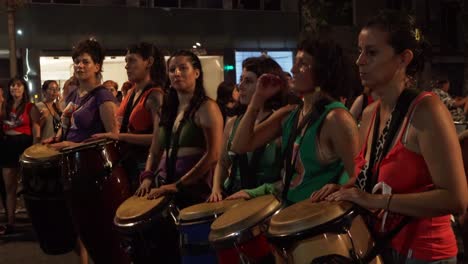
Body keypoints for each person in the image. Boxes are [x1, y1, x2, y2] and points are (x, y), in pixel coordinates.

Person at [319, 11, 467, 263]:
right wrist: (346, 189)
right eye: (359, 51)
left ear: (403, 58)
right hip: (381, 245)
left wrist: (373, 200)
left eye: (372, 53)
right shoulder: (368, 113)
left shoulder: (426, 110)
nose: (359, 61)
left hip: (425, 253)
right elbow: (373, 176)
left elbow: (456, 199)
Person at [227, 35, 360, 205]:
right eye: (296, 62)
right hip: (289, 212)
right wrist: (258, 99)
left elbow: (357, 177)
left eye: (303, 64)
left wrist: (339, 187)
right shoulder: (290, 114)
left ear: (322, 71)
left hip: (316, 219)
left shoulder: (336, 118)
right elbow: (240, 146)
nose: (293, 69)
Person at [135, 50, 223, 208]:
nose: (176, 73)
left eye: (183, 68)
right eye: (172, 69)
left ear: (196, 73)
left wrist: (178, 185)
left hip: (194, 189)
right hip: (163, 185)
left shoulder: (207, 107)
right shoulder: (166, 110)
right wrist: (147, 176)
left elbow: (214, 154)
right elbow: (154, 151)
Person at [208, 56, 287, 202]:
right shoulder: (233, 123)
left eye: (248, 81)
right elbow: (223, 162)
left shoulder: (279, 122)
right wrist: (216, 189)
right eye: (241, 79)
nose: (240, 86)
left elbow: (287, 177)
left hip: (265, 200)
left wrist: (255, 193)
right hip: (232, 196)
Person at [93, 42, 166, 191]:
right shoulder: (132, 92)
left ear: (149, 62)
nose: (126, 66)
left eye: (132, 60)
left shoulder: (155, 95)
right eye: (126, 61)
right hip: (129, 163)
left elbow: (160, 139)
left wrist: (120, 136)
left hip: (144, 166)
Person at [50, 38, 118, 149]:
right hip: (70, 159)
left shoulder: (103, 96)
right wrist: (56, 138)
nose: (80, 65)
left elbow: (113, 138)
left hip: (89, 161)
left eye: (85, 62)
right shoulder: (73, 94)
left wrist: (74, 145)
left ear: (97, 67)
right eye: (77, 61)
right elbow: (68, 126)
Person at [0, 77, 37, 235]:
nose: (15, 88)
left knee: (28, 186)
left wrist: (35, 147)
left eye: (19, 86)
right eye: (12, 86)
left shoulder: (30, 106)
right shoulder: (4, 106)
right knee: (9, 186)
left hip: (24, 146)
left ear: (24, 89)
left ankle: (34, 221)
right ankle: (10, 222)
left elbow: (36, 128)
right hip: (7, 146)